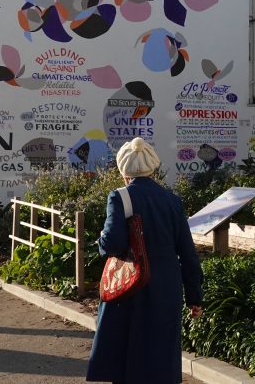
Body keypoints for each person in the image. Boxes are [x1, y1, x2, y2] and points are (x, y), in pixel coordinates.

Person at [86, 137, 203, 384]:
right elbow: (188, 252)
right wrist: (194, 297)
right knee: (161, 348)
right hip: (166, 284)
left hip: (133, 283)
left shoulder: (120, 197)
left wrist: (101, 240)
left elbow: (113, 244)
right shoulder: (173, 201)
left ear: (123, 169)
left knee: (128, 350)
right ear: (152, 167)